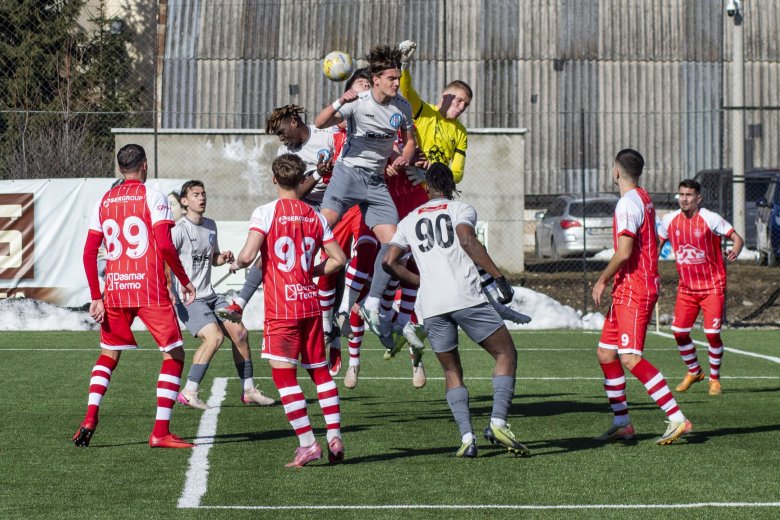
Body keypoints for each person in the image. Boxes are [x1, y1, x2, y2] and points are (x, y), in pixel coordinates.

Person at [383, 163, 530, 458]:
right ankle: (498, 423)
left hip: (432, 305)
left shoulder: (409, 220)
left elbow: (389, 260)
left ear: (426, 187)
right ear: (450, 186)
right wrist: (499, 277)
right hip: (466, 298)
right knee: (505, 354)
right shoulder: (460, 209)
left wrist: (419, 280)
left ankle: (467, 438)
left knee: (452, 370)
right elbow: (466, 239)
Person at [73, 144, 197, 449]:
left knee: (108, 356)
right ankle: (160, 432)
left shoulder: (105, 200)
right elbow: (165, 246)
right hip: (150, 290)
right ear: (144, 166)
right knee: (174, 355)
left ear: (119, 169)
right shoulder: (152, 196)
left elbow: (89, 253)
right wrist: (183, 280)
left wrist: (96, 296)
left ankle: (90, 417)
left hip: (115, 290)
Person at [234, 154, 347, 468]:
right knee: (320, 371)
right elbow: (338, 260)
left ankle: (308, 443)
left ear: (274, 180)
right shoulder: (315, 216)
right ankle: (335, 434)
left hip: (282, 308)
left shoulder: (265, 212)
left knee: (284, 377)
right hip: (310, 303)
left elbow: (247, 255)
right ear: (301, 182)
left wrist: (235, 263)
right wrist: (311, 272)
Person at [314, 44, 416, 340]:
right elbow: (320, 123)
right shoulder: (357, 101)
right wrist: (338, 102)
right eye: (391, 79)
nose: (397, 83)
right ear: (376, 80)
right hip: (347, 176)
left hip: (376, 182)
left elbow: (410, 140)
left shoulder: (402, 107)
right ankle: (298, 279)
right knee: (321, 228)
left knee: (396, 243)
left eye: (398, 78)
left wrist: (405, 155)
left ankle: (371, 302)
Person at [592, 149, 692, 445]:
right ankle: (623, 422)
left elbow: (624, 252)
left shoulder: (627, 204)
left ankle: (677, 418)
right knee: (606, 353)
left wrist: (601, 279)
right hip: (628, 288)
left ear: (616, 172)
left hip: (636, 288)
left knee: (631, 357)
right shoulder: (644, 198)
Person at [217, 105, 336, 323]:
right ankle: (241, 303)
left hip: (336, 204)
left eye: (281, 132)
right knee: (271, 250)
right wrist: (319, 173)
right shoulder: (285, 153)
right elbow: (295, 193)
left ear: (294, 121)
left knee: (341, 257)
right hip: (305, 205)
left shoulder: (326, 135)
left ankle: (337, 316)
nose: (281, 139)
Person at [170, 180, 275, 410]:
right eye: (195, 194)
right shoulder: (178, 230)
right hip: (190, 300)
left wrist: (223, 257)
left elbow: (212, 257)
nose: (201, 197)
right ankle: (189, 392)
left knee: (240, 333)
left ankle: (248, 391)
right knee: (214, 337)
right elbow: (165, 261)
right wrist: (170, 291)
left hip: (211, 296)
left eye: (203, 193)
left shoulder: (210, 226)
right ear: (185, 201)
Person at [658, 179, 744, 396]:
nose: (684, 199)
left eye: (688, 195)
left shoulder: (710, 218)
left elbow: (737, 238)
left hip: (712, 285)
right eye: (681, 194)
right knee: (679, 333)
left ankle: (714, 380)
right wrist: (649, 269)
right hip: (686, 288)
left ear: (698, 198)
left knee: (712, 333)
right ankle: (694, 371)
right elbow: (657, 246)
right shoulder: (669, 220)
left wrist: (735, 250)